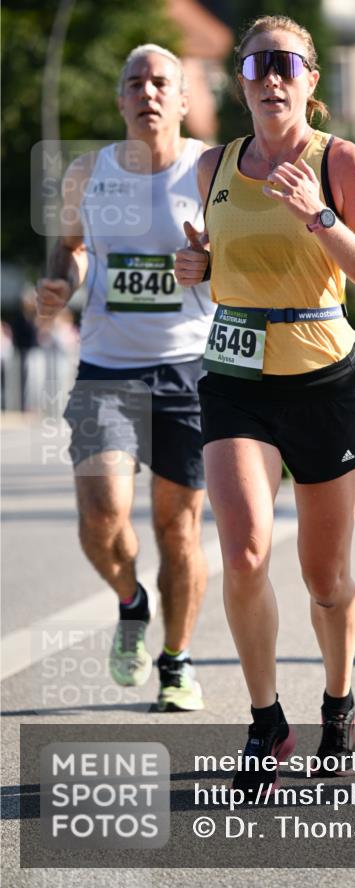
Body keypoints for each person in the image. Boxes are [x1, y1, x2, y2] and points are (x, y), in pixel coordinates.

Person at [175, 14, 355, 795]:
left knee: (324, 577)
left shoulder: (339, 162)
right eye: (255, 63)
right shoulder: (213, 166)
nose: (270, 76)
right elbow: (212, 260)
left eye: (287, 63)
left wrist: (322, 217)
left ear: (310, 81)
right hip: (236, 378)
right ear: (239, 80)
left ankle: (338, 704)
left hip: (322, 382)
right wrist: (194, 264)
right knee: (241, 553)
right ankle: (266, 722)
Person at [36, 44, 214, 712]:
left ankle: (177, 662)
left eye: (161, 81)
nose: (148, 92)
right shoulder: (91, 172)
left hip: (190, 368)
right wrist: (60, 283)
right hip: (107, 367)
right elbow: (70, 247)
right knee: (101, 513)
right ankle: (130, 601)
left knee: (178, 528)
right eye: (134, 81)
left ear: (182, 99)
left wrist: (209, 266)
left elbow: (243, 261)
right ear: (119, 100)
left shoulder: (210, 169)